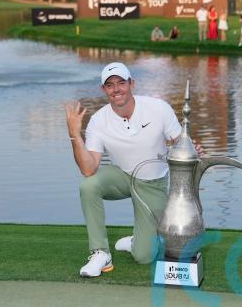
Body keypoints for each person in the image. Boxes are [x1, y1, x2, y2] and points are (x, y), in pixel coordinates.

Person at [65, 63, 186, 277]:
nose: (116, 89)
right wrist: (74, 134)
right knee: (88, 185)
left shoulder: (158, 108)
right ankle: (101, 253)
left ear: (132, 84)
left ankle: (137, 241)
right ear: (103, 89)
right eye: (110, 85)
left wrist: (190, 149)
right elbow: (88, 169)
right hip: (122, 176)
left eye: (121, 83)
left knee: (144, 256)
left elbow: (180, 142)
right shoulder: (98, 120)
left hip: (152, 184)